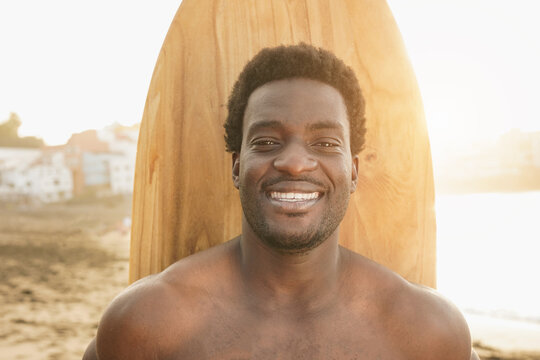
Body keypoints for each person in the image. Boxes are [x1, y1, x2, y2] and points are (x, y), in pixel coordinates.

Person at [84, 43, 479, 359]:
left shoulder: (428, 333)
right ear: (237, 167)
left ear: (353, 172)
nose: (294, 162)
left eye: (325, 143)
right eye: (267, 141)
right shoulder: (148, 324)